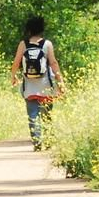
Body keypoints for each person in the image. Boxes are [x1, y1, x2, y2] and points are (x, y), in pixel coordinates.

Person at [10, 15, 63, 151]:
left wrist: (13, 76)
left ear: (29, 29)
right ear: (42, 29)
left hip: (29, 86)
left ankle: (37, 141)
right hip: (46, 86)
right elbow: (53, 63)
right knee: (47, 115)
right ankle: (49, 141)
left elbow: (16, 62)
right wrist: (60, 81)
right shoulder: (47, 44)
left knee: (33, 115)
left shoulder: (23, 44)